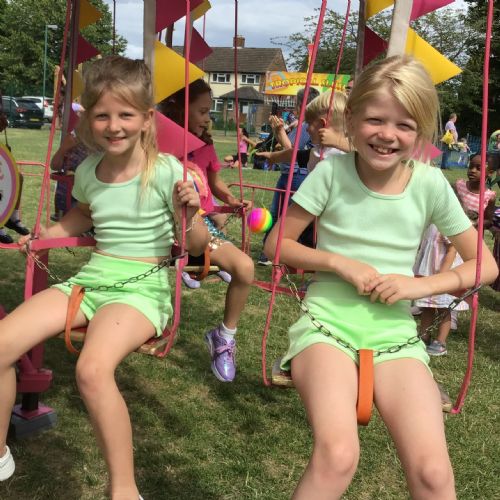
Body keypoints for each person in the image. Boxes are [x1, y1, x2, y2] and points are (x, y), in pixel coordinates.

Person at [264, 55, 498, 498]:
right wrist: (339, 263)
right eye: (375, 120)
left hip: (395, 333)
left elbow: (485, 265)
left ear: (421, 131)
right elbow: (277, 245)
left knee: (433, 473)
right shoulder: (331, 173)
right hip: (326, 324)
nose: (388, 134)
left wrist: (419, 285)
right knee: (338, 455)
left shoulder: (429, 183)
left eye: (404, 125)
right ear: (351, 119)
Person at [0, 56, 209, 498]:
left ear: (147, 119)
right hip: (93, 278)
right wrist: (48, 234)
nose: (114, 126)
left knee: (92, 371)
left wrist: (189, 211)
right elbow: (83, 214)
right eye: (102, 116)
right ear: (89, 120)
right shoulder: (88, 171)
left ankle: (124, 490)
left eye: (125, 115)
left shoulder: (167, 172)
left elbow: (195, 246)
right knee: (2, 344)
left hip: (143, 288)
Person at [160, 78, 254, 383]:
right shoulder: (158, 146)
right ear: (179, 108)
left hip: (199, 224)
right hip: (163, 224)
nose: (207, 118)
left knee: (245, 267)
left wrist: (231, 200)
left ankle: (224, 336)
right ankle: (188, 262)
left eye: (208, 111)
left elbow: (214, 183)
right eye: (201, 111)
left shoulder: (206, 146)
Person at [257, 90, 348, 173]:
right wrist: (273, 157)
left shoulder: (346, 152)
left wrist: (337, 141)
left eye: (309, 123)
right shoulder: (317, 152)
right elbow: (294, 154)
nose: (307, 129)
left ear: (322, 124)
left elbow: (356, 149)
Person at [413, 224, 469, 356]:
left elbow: (452, 250)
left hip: (443, 274)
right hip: (428, 273)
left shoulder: (446, 225)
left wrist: (442, 276)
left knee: (444, 308)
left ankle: (440, 342)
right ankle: (424, 336)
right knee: (427, 306)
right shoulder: (430, 225)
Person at [50, 103, 89, 220]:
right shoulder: (72, 138)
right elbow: (54, 165)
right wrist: (64, 148)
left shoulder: (98, 144)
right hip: (67, 196)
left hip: (86, 197)